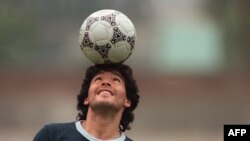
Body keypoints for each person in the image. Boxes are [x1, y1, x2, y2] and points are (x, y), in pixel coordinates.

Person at [33, 63, 140, 141]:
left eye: (116, 80)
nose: (106, 82)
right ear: (86, 98)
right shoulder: (52, 135)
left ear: (127, 101)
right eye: (98, 79)